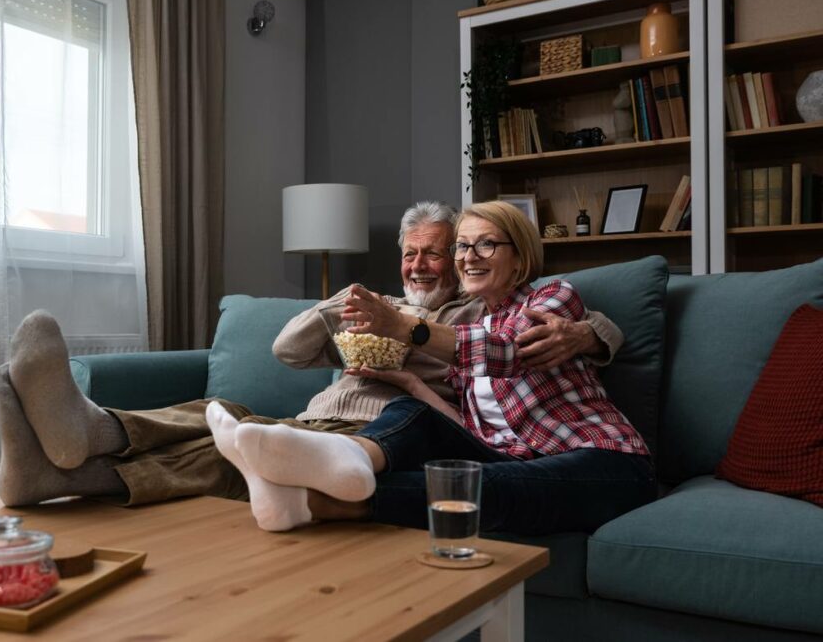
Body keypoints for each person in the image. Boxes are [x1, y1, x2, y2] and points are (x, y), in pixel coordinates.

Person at [0, 201, 624, 523]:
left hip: (372, 431)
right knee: (226, 417)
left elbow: (525, 339)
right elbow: (287, 349)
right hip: (322, 418)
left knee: (239, 442)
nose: (432, 264)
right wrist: (343, 304)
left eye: (447, 251)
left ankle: (79, 450)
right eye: (420, 254)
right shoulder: (387, 308)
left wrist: (593, 334)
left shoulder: (459, 319)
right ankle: (69, 457)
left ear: (518, 254)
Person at [207, 200, 656, 535]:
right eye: (462, 247)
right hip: (508, 453)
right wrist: (407, 383)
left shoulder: (552, 298)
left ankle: (313, 502)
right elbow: (463, 424)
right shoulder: (471, 321)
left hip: (603, 461)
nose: (469, 256)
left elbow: (506, 351)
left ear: (519, 256)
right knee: (414, 411)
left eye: (486, 244)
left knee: (483, 485)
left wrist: (405, 327)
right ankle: (346, 459)